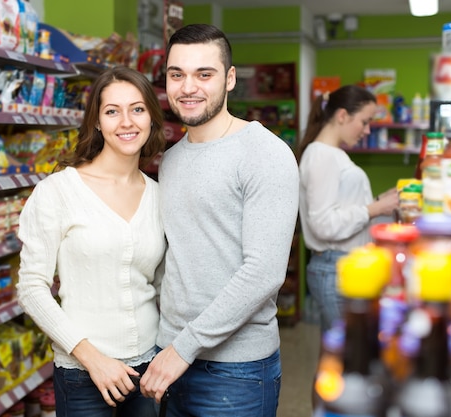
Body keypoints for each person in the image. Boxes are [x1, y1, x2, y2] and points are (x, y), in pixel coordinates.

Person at [139, 23, 300, 417]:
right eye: (177, 74)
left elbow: (263, 272)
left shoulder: (265, 153)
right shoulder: (173, 159)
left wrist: (184, 347)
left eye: (203, 74)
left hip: (236, 372)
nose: (188, 87)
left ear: (229, 79)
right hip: (170, 358)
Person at [16, 66, 167, 417]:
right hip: (83, 373)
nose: (126, 122)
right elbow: (31, 288)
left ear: (151, 118)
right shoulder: (58, 191)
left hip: (148, 369)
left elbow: (160, 284)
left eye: (138, 109)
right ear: (97, 122)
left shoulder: (159, 196)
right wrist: (92, 359)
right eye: (112, 111)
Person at [297, 84, 399, 335]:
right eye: (365, 122)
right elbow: (323, 224)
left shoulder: (330, 154)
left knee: (338, 357)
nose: (367, 130)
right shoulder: (322, 156)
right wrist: (375, 208)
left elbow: (340, 206)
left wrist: (379, 202)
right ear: (342, 115)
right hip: (335, 269)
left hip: (342, 266)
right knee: (346, 357)